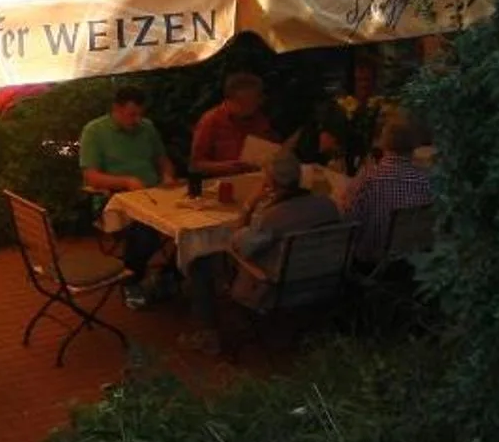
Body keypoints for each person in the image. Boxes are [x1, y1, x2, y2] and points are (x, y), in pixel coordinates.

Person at [182, 149, 344, 351]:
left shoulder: (273, 218)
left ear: (270, 181)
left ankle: (207, 335)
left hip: (274, 289)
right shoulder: (327, 205)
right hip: (323, 282)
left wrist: (250, 203)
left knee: (201, 263)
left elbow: (238, 245)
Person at [76, 84, 177, 306]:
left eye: (140, 114)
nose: (136, 120)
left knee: (188, 225)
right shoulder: (95, 131)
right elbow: (91, 177)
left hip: (153, 195)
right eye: (132, 114)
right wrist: (125, 181)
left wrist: (168, 175)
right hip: (113, 199)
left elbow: (162, 160)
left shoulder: (146, 127)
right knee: (145, 232)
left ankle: (169, 275)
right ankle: (131, 280)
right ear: (116, 109)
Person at [341, 108, 437, 266]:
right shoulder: (426, 181)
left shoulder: (369, 179)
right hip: (410, 263)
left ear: (383, 142)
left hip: (369, 262)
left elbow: (348, 223)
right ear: (414, 145)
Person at [188, 71, 276, 180]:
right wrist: (226, 167)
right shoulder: (211, 120)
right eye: (244, 104)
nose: (251, 108)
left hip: (254, 179)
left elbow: (270, 153)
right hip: (220, 182)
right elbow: (195, 165)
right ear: (229, 101)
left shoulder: (259, 118)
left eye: (254, 103)